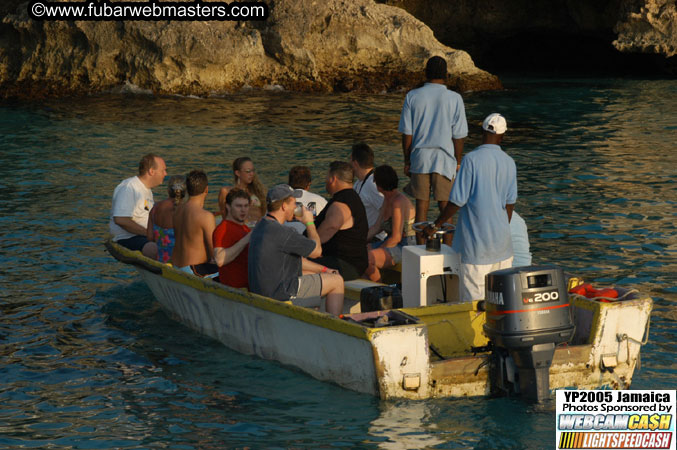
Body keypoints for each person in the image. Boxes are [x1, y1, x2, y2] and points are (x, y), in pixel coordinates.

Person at [425, 113, 517, 303]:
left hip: (476, 249)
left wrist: (436, 225)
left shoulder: (471, 160)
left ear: (482, 132)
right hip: (503, 247)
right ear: (502, 136)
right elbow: (509, 204)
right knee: (500, 302)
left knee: (474, 304)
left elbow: (457, 201)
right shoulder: (509, 162)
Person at [399, 56, 468, 242]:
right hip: (445, 158)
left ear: (426, 73)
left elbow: (407, 133)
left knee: (422, 206)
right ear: (445, 74)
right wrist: (458, 160)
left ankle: (422, 250)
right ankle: (447, 251)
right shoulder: (455, 98)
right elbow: (459, 135)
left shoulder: (413, 96)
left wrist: (407, 160)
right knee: (445, 208)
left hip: (420, 157)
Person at [248, 184, 345, 315]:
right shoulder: (284, 233)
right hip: (281, 294)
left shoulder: (260, 226)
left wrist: (325, 270)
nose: (296, 207)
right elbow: (317, 251)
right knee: (337, 281)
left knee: (315, 275)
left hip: (262, 291)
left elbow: (297, 260)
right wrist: (309, 223)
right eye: (294, 203)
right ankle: (335, 327)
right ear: (284, 206)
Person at [312, 161, 369, 281]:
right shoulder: (352, 198)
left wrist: (308, 224)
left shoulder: (341, 204)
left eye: (327, 177)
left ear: (333, 179)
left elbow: (322, 235)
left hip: (343, 265)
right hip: (352, 262)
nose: (325, 181)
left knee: (296, 263)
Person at [109, 153, 167, 259]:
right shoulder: (129, 187)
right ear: (151, 171)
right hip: (128, 238)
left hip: (143, 236)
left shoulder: (147, 191)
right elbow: (120, 219)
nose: (165, 174)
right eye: (163, 170)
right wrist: (149, 234)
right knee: (155, 248)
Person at [364, 165, 416, 282]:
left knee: (367, 258)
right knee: (359, 251)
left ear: (379, 185)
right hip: (393, 242)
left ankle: (380, 291)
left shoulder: (398, 202)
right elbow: (376, 227)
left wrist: (379, 250)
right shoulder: (386, 200)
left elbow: (396, 237)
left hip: (406, 245)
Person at [171, 170, 218, 277]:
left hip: (176, 266)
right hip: (194, 270)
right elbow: (214, 253)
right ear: (206, 189)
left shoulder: (177, 210)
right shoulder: (206, 216)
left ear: (187, 189)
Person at [213, 188, 252, 289]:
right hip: (236, 291)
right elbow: (220, 259)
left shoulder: (245, 228)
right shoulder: (223, 229)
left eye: (246, 206)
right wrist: (247, 238)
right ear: (228, 207)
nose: (243, 210)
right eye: (238, 206)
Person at [146, 175, 186, 263]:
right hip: (182, 263)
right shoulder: (186, 211)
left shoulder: (155, 209)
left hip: (162, 260)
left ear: (168, 190)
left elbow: (150, 237)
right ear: (184, 192)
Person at [218, 157, 266, 225]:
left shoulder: (256, 190)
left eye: (253, 170)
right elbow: (224, 216)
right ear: (237, 173)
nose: (252, 174)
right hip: (242, 228)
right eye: (248, 171)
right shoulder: (226, 192)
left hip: (258, 227)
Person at [285, 165, 328, 234]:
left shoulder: (280, 201)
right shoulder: (321, 201)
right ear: (309, 184)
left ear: (289, 184)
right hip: (311, 240)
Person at [350, 143, 384, 231]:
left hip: (374, 237)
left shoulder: (372, 185)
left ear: (355, 163)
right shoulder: (359, 182)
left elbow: (388, 210)